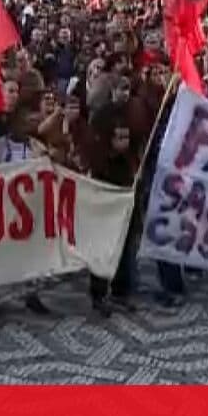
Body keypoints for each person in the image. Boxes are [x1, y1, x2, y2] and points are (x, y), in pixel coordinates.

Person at [88, 123, 137, 316]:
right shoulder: (101, 162)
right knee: (102, 256)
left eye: (127, 138)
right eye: (120, 138)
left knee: (124, 257)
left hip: (125, 216)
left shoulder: (131, 159)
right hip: (104, 217)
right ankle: (98, 295)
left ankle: (120, 293)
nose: (124, 142)